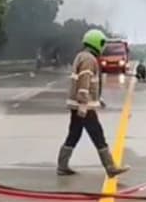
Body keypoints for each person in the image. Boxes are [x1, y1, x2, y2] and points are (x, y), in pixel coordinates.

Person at [56, 29, 130, 178]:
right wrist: (84, 102)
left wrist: (97, 98)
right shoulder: (89, 59)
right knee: (97, 134)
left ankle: (62, 165)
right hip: (83, 105)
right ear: (97, 43)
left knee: (74, 134)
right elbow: (84, 80)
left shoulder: (81, 56)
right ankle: (110, 167)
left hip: (77, 103)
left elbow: (88, 82)